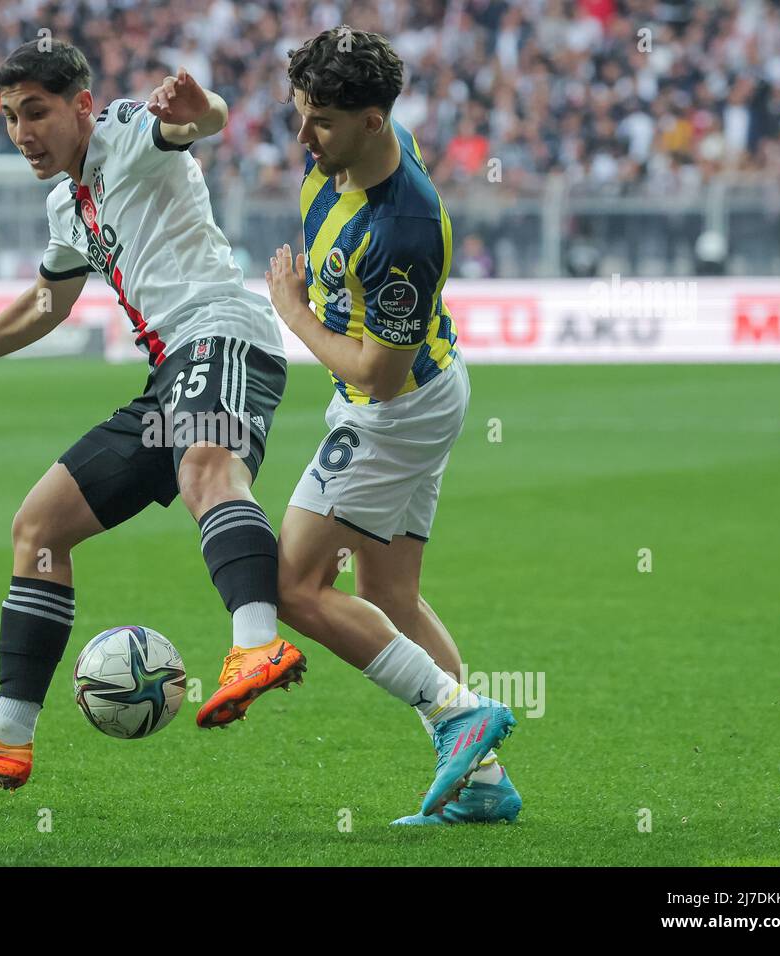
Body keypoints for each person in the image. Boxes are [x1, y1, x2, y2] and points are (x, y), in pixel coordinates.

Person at [0, 40, 303, 790]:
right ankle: (8, 734)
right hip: (167, 379)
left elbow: (197, 121)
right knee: (40, 528)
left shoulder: (121, 131)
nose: (23, 133)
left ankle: (258, 642)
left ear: (80, 106)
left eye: (38, 112)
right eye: (12, 117)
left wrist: (199, 105)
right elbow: (49, 303)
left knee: (207, 468)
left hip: (221, 336)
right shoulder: (64, 204)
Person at [262, 27, 520, 824]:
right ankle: (483, 784)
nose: (303, 137)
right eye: (299, 114)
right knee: (391, 595)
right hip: (426, 392)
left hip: (393, 409)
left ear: (375, 121)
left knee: (294, 587)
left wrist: (292, 312)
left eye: (322, 121)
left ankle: (456, 715)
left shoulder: (403, 232)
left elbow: (377, 372)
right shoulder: (349, 151)